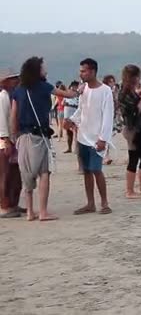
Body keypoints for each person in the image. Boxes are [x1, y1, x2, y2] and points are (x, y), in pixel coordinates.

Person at [11, 57, 78, 221]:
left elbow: (13, 115)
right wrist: (79, 89)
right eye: (43, 68)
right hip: (39, 136)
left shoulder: (18, 90)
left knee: (26, 174)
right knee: (44, 172)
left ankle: (29, 212)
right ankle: (42, 212)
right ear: (37, 70)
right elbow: (67, 94)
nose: (46, 70)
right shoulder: (44, 87)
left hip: (22, 136)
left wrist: (14, 137)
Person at [65, 58, 115, 215]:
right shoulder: (83, 89)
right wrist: (71, 120)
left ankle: (105, 203)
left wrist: (103, 139)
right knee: (86, 170)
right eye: (80, 71)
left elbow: (108, 116)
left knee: (96, 169)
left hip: (97, 137)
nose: (81, 74)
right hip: (82, 136)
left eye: (83, 71)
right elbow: (81, 110)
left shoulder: (106, 90)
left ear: (92, 71)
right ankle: (90, 203)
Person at [119, 64, 141, 198]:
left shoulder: (130, 91)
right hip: (132, 128)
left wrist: (140, 94)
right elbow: (134, 111)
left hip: (138, 127)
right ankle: (130, 190)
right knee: (134, 158)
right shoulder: (124, 93)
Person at [0, 68, 23, 218]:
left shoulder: (11, 96)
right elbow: (2, 120)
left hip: (12, 140)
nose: (16, 81)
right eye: (13, 78)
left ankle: (13, 203)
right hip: (5, 141)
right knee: (5, 174)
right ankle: (4, 205)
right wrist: (5, 139)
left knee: (15, 174)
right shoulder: (2, 97)